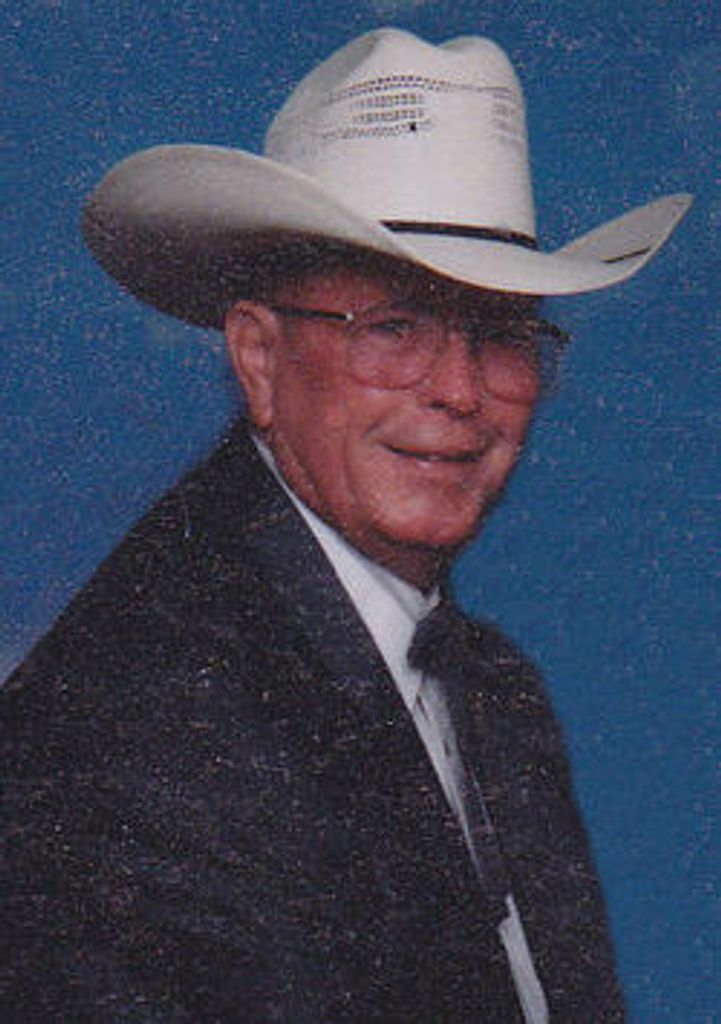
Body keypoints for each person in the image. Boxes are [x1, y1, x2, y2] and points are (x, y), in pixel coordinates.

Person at [2, 28, 691, 1023]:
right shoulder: (134, 722)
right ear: (258, 358)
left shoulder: (496, 691)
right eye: (394, 327)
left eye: (501, 334)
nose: (458, 392)